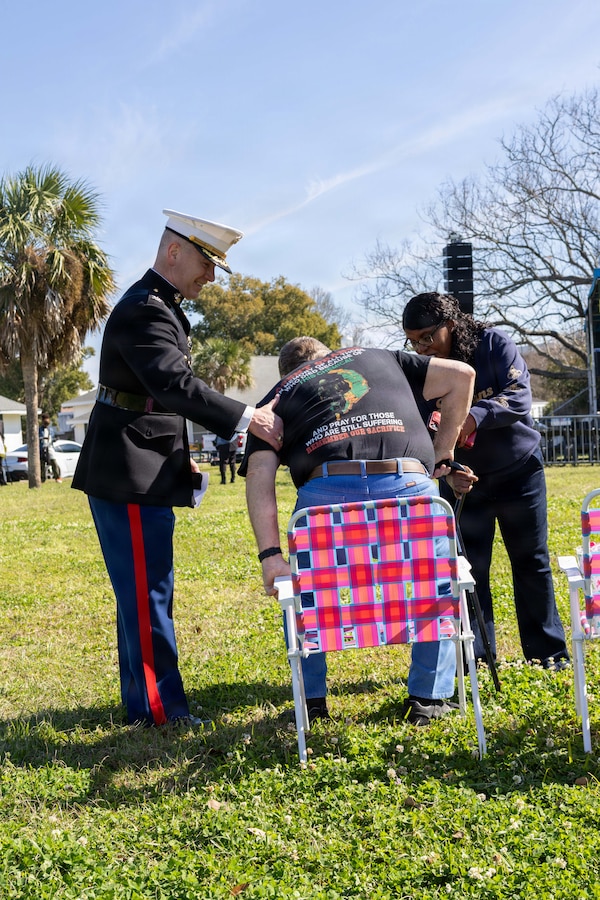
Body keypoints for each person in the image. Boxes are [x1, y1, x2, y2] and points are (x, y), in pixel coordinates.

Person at [72, 209, 283, 727]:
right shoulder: (146, 310)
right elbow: (173, 387)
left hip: (137, 463)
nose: (211, 276)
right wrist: (244, 414)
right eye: (206, 263)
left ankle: (143, 705)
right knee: (147, 594)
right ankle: (160, 711)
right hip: (131, 468)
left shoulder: (158, 306)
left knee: (140, 594)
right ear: (173, 251)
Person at [241, 336, 477, 725]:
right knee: (434, 582)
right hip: (410, 488)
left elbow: (260, 472)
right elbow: (462, 375)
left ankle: (311, 701)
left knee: (307, 594)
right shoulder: (379, 356)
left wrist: (271, 557)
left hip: (324, 501)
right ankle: (429, 699)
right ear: (331, 356)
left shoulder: (278, 395)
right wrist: (443, 451)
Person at [402, 291, 569, 670]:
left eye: (428, 336)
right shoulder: (419, 367)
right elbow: (423, 425)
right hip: (464, 480)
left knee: (531, 561)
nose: (422, 347)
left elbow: (519, 396)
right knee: (470, 567)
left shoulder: (493, 343)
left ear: (451, 323)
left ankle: (547, 653)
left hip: (518, 470)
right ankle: (477, 655)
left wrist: (471, 416)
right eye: (413, 341)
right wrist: (448, 469)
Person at [39, 412, 61, 482]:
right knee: (42, 465)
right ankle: (42, 479)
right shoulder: (39, 430)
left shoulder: (50, 430)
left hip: (50, 448)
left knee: (54, 462)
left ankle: (57, 477)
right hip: (42, 448)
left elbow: (52, 438)